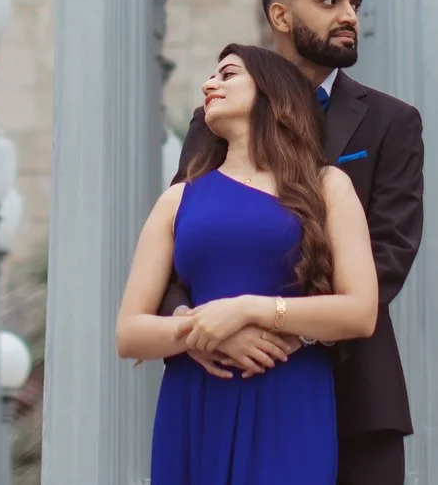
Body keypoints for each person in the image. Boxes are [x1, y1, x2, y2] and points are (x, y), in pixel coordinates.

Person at [168, 0, 425, 485]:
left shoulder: (392, 121)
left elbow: (390, 252)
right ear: (280, 16)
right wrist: (204, 331)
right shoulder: (215, 118)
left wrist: (285, 327)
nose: (349, 16)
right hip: (231, 384)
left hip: (357, 391)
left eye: (355, 3)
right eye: (329, 0)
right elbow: (180, 242)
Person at [117, 44, 379, 485]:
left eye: (228, 74)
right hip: (194, 402)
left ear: (272, 93)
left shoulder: (328, 186)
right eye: (212, 76)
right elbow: (130, 333)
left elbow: (360, 311)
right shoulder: (178, 199)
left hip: (289, 397)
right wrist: (205, 335)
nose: (209, 84)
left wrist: (249, 310)